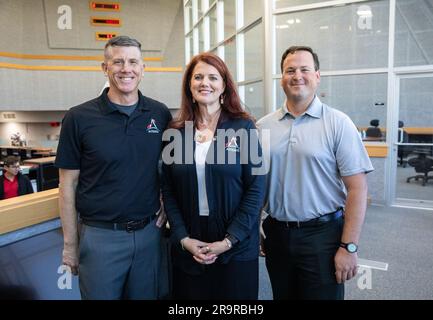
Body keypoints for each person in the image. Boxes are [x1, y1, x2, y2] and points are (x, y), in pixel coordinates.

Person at [55, 35, 172, 300]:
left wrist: (167, 201)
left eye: (133, 62)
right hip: (99, 238)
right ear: (105, 68)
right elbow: (67, 186)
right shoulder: (78, 118)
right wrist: (70, 246)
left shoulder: (159, 113)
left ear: (143, 68)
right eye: (117, 62)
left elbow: (168, 169)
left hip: (148, 235)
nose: (126, 68)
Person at [257, 46, 374, 300]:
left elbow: (358, 189)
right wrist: (256, 227)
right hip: (277, 234)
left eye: (304, 69)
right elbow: (256, 186)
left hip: (323, 237)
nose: (297, 75)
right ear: (282, 79)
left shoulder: (338, 123)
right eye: (290, 70)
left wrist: (349, 247)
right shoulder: (262, 127)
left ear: (317, 76)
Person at [161, 52, 265, 300]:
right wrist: (183, 238)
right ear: (189, 85)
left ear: (224, 86)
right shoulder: (175, 132)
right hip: (190, 242)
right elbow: (168, 190)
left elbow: (257, 187)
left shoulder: (243, 127)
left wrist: (229, 241)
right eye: (197, 77)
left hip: (236, 244)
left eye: (212, 77)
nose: (204, 83)